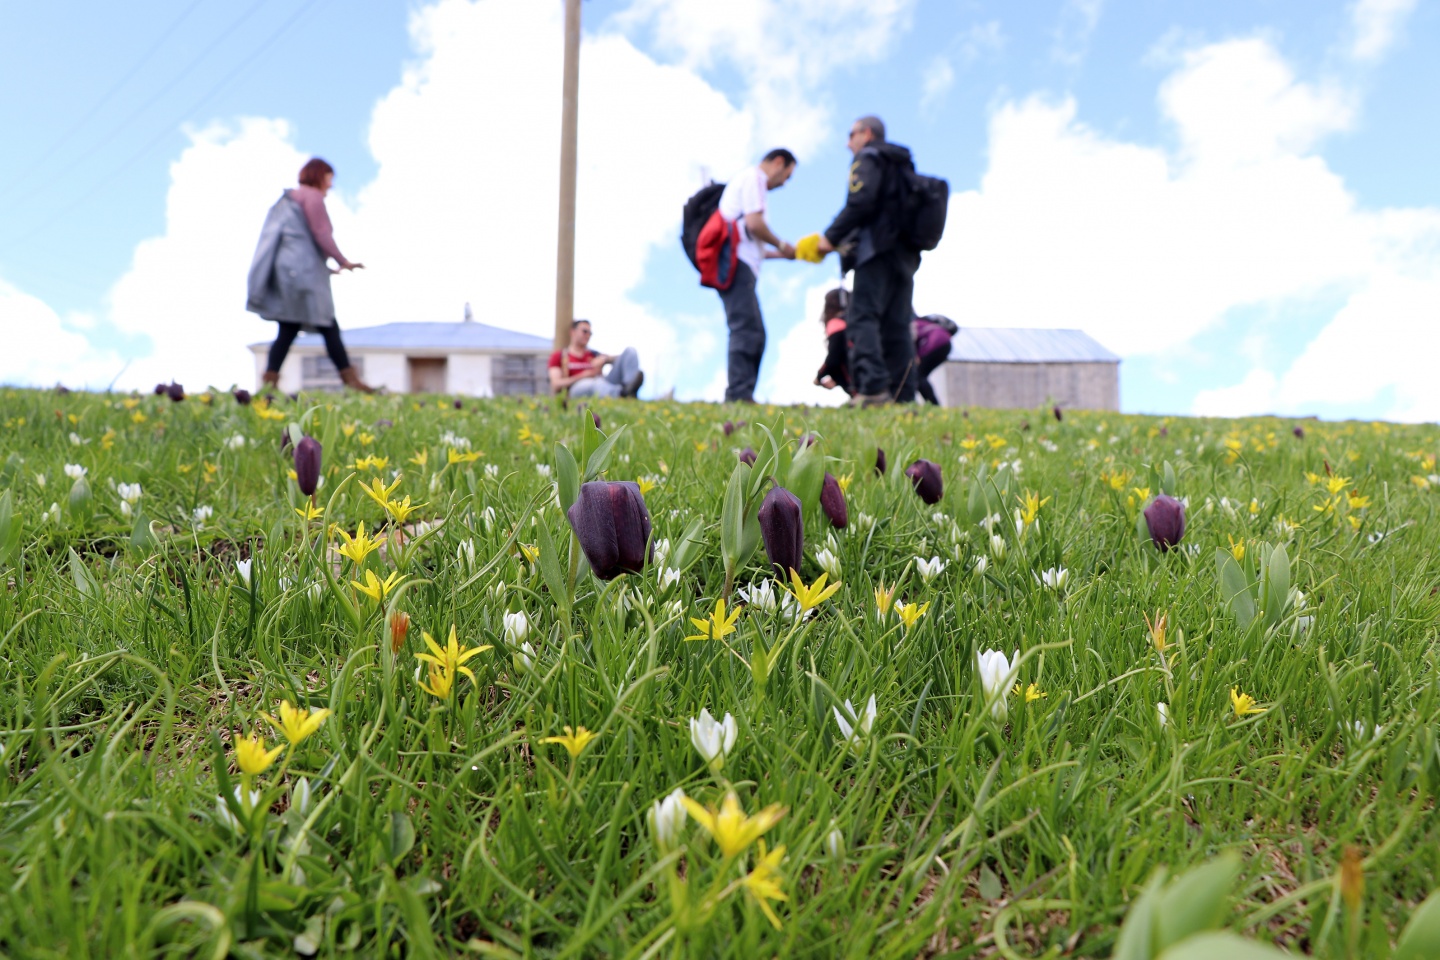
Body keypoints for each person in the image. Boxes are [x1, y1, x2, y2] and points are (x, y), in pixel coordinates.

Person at [796, 116, 922, 406]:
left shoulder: (867, 157)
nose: (847, 143)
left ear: (866, 134)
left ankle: (873, 388)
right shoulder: (900, 162)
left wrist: (830, 238)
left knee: (862, 317)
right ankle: (904, 396)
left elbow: (861, 201)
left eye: (850, 134)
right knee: (898, 323)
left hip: (875, 249)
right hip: (905, 253)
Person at [246, 157, 374, 393]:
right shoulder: (312, 197)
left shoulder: (288, 201)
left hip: (289, 273)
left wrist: (325, 269)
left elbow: (299, 242)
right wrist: (343, 261)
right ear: (319, 176)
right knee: (328, 324)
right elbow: (321, 234)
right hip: (303, 274)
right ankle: (352, 382)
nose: (331, 185)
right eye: (329, 178)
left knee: (288, 327)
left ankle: (269, 385)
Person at [715, 148, 798, 403]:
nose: (784, 183)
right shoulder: (755, 178)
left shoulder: (749, 181)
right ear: (778, 163)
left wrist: (783, 254)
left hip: (740, 263)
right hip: (736, 264)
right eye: (787, 176)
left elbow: (754, 245)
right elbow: (754, 223)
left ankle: (742, 393)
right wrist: (782, 244)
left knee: (754, 331)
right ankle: (738, 395)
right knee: (746, 328)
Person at [547, 319, 644, 399]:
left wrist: (605, 359)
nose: (588, 335)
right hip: (576, 388)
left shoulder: (594, 354)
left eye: (590, 333)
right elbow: (556, 384)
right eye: (584, 331)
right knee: (595, 383)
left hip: (603, 383)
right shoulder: (560, 356)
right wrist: (583, 376)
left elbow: (621, 359)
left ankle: (628, 387)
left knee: (630, 351)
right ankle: (622, 394)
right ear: (573, 332)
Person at [813, 288, 852, 396]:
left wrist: (819, 376)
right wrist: (835, 380)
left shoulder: (836, 323)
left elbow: (834, 357)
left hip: (857, 383)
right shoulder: (863, 321)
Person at [913, 314, 954, 406]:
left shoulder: (913, 323)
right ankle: (933, 404)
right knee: (920, 376)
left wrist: (916, 355)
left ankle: (933, 405)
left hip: (936, 343)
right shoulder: (923, 322)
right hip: (946, 344)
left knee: (918, 376)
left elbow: (911, 338)